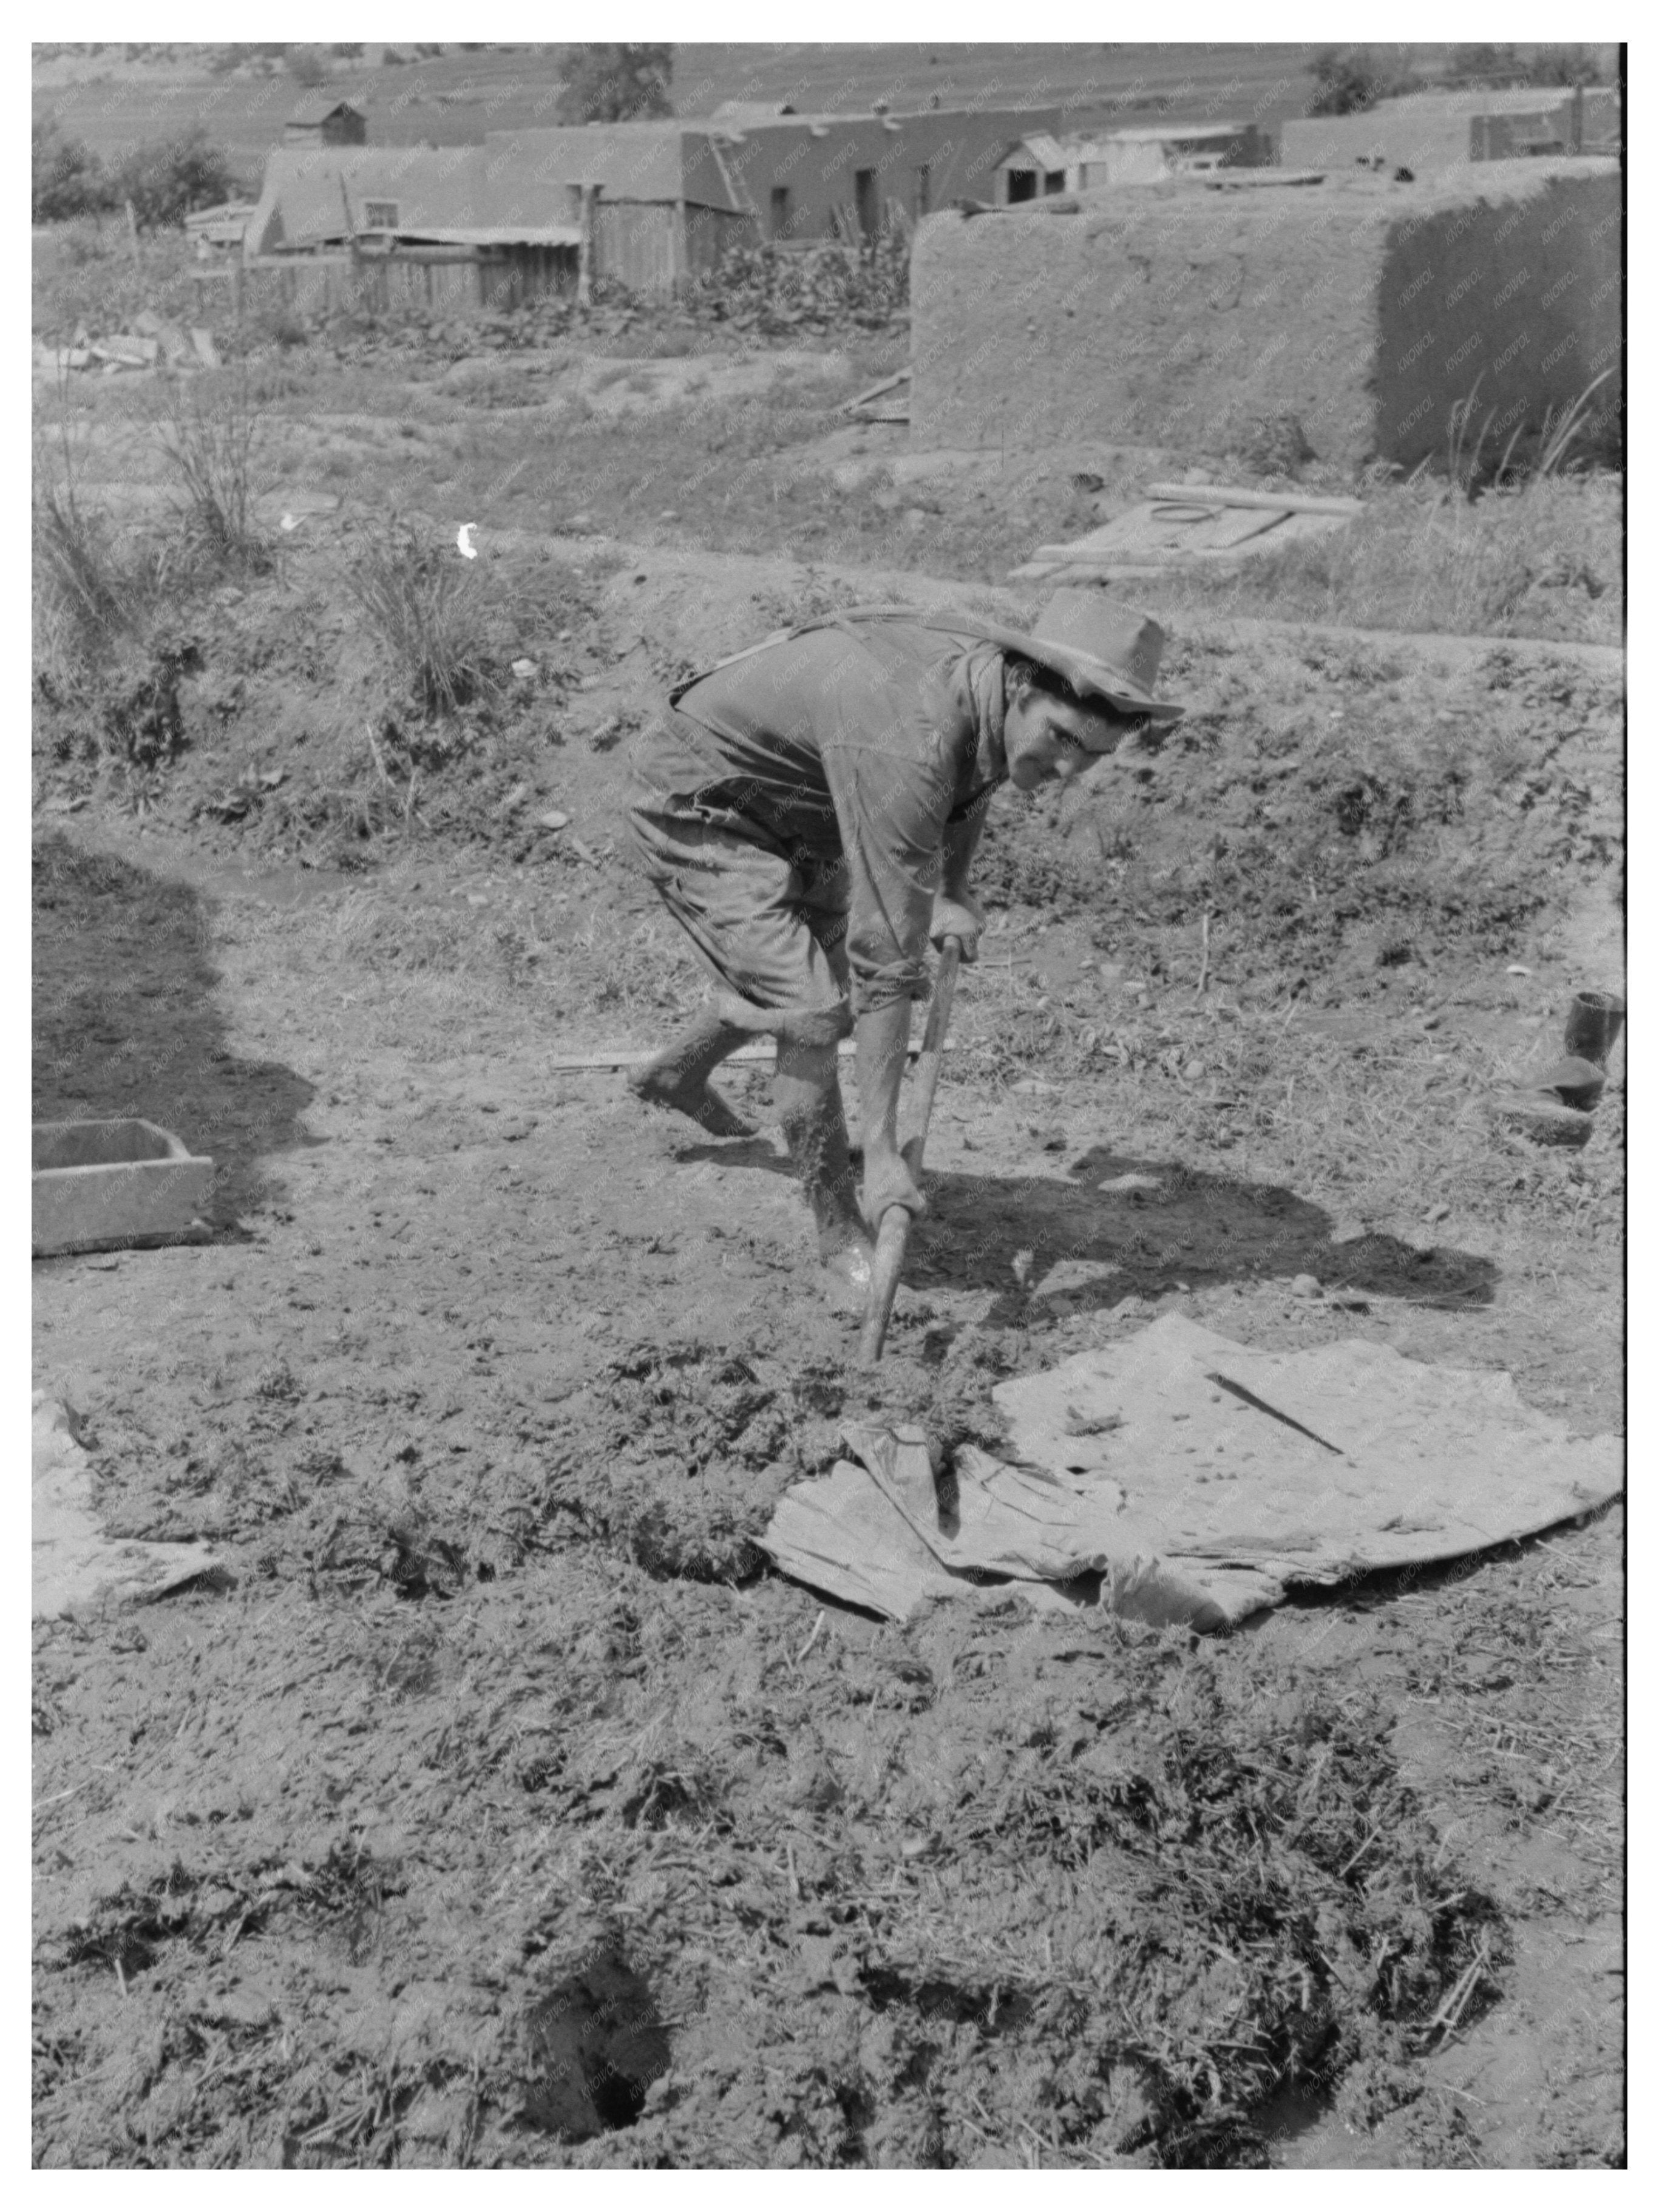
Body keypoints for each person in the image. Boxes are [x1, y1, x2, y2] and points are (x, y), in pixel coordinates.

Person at [622, 592, 1186, 1292]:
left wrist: (950, 891)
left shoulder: (987, 696)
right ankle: (836, 1228)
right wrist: (884, 1151)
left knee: (811, 960)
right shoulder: (909, 733)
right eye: (1063, 739)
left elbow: (970, 779)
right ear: (1020, 686)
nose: (1070, 769)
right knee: (811, 1005)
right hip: (702, 801)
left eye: (1094, 755)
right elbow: (887, 958)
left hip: (799, 796)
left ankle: (674, 1072)